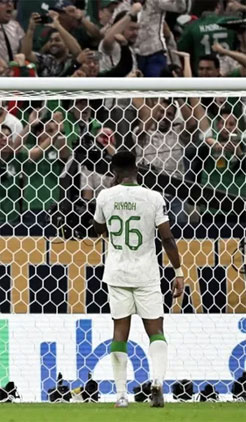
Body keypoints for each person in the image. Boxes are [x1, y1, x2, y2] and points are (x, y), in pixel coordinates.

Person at [92, 150, 184, 408]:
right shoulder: (153, 197)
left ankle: (121, 396)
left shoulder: (105, 196)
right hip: (147, 274)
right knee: (156, 331)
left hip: (117, 273)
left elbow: (98, 228)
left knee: (119, 332)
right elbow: (167, 238)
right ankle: (157, 383)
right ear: (137, 170)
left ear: (114, 172)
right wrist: (178, 272)